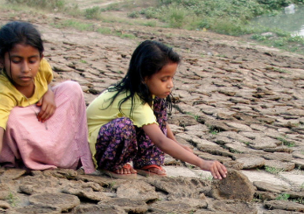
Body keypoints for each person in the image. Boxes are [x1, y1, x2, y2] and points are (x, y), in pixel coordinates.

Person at [0, 21, 94, 198]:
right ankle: (43, 157)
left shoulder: (40, 66)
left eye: (32, 61)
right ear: (1, 60)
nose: (26, 69)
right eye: (16, 61)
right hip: (10, 135)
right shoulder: (0, 93)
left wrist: (49, 92)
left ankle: (61, 155)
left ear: (40, 58)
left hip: (38, 119)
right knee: (12, 118)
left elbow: (47, 81)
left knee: (71, 88)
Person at [86, 40, 227, 180]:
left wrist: (177, 144)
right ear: (144, 77)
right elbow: (160, 140)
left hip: (110, 136)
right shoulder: (132, 101)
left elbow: (159, 123)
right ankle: (111, 164)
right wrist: (201, 162)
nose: (170, 85)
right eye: (164, 79)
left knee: (158, 103)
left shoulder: (147, 93)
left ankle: (147, 161)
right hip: (96, 147)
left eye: (171, 78)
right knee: (124, 127)